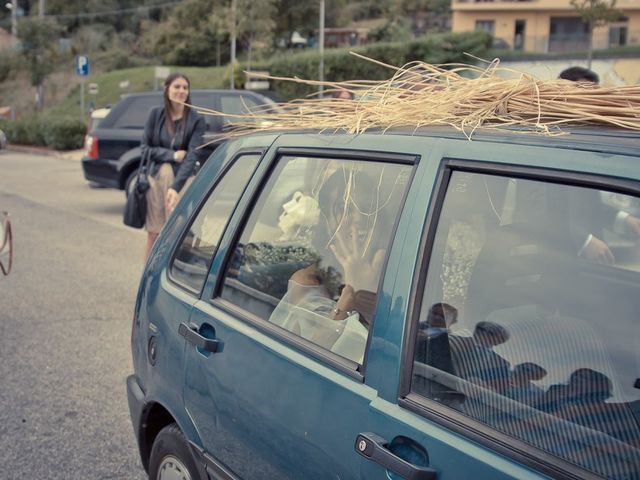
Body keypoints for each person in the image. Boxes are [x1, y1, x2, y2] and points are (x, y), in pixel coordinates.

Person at [141, 73, 206, 259]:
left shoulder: (196, 119)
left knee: (177, 235)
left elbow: (193, 155)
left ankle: (170, 277)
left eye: (185, 87)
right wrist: (172, 155)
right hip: (157, 180)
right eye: (177, 86)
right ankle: (146, 278)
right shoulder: (155, 115)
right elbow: (145, 148)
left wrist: (175, 187)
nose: (182, 91)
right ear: (167, 89)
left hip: (183, 181)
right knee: (154, 233)